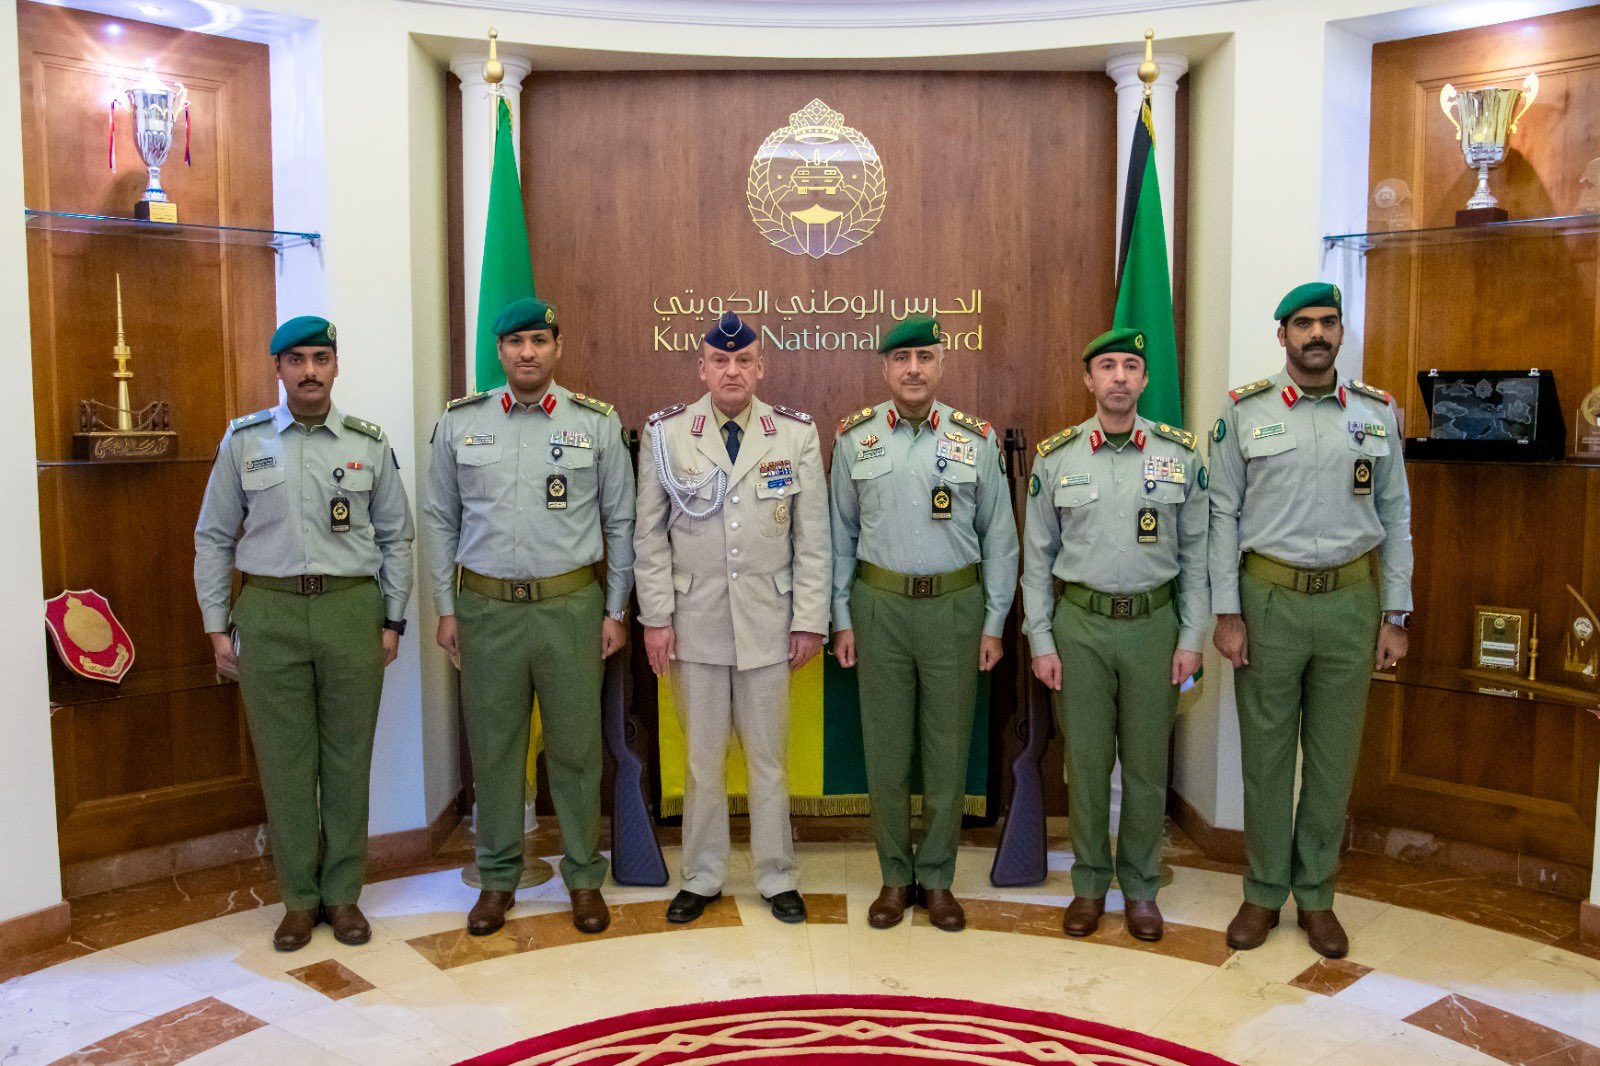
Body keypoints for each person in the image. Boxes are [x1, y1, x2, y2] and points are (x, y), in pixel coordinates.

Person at [194, 315, 414, 952]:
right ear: (280, 369)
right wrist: (216, 624)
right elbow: (212, 538)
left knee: (347, 761)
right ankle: (298, 900)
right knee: (286, 765)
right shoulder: (245, 441)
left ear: (337, 365)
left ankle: (343, 896)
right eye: (297, 360)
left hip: (351, 609)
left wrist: (393, 618)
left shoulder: (368, 444)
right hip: (269, 612)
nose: (310, 370)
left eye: (321, 357)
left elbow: (396, 536)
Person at [1209, 282, 1412, 959]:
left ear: (1340, 330)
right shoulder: (1245, 413)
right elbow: (1222, 517)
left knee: (1332, 759)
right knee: (1267, 759)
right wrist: (1227, 611)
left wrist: (1396, 612)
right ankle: (1264, 891)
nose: (1316, 334)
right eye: (1304, 324)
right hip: (1268, 600)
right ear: (1283, 336)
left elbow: (1398, 516)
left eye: (1327, 322)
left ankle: (1317, 895)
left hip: (1352, 603)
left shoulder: (1379, 413)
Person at [422, 296, 635, 937]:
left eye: (539, 341)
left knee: (574, 749)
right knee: (494, 749)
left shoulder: (594, 423)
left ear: (556, 347)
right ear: (500, 352)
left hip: (571, 606)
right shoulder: (461, 423)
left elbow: (621, 521)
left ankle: (581, 878)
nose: (527, 353)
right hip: (486, 608)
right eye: (515, 343)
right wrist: (445, 606)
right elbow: (439, 519)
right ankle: (496, 878)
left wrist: (616, 606)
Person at [635, 311, 829, 925]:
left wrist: (810, 620)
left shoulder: (794, 435)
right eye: (720, 361)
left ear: (760, 367)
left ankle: (777, 876)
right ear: (702, 367)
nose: (732, 370)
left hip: (769, 621)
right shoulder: (667, 435)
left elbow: (813, 541)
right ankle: (703, 874)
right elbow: (649, 537)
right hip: (694, 622)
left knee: (770, 760)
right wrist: (656, 618)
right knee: (701, 760)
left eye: (744, 360)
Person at [828, 314, 1019, 933]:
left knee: (946, 747)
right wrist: (840, 617)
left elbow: (1002, 538)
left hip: (955, 609)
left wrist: (994, 623)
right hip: (878, 607)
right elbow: (839, 536)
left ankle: (936, 877)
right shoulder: (856, 439)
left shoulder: (977, 439)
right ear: (885, 369)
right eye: (902, 358)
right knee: (885, 751)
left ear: (943, 365)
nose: (914, 369)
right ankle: (894, 875)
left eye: (925, 358)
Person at [1021, 327, 1208, 942]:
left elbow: (1199, 556)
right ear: (1089, 379)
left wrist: (1191, 637)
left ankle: (1143, 889)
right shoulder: (1057, 458)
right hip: (1081, 629)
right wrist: (1042, 642)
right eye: (1108, 366)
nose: (1120, 377)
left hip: (1156, 627)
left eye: (1132, 365)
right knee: (1089, 764)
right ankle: (1089, 885)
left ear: (1145, 379)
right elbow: (1036, 558)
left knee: (1149, 767)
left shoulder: (1179, 455)